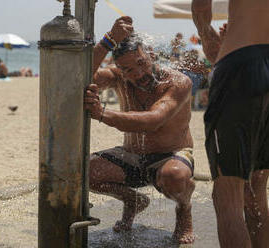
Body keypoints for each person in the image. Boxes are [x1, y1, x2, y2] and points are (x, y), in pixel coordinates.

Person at [84, 16, 195, 244]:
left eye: (141, 64)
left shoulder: (178, 82)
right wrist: (108, 41)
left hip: (171, 156)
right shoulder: (118, 77)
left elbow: (154, 120)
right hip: (132, 155)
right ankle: (133, 201)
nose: (137, 74)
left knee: (174, 176)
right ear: (119, 70)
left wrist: (102, 114)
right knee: (84, 173)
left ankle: (184, 209)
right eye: (128, 70)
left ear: (151, 54)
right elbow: (78, 75)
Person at [192, 0, 269, 247]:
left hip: (243, 59)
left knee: (228, 198)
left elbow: (202, 5)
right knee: (256, 192)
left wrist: (207, 35)